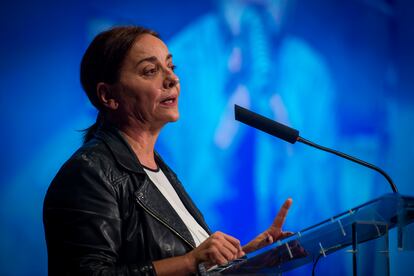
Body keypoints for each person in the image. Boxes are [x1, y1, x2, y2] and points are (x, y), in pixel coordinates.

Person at [43, 26, 293, 276]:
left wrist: (250, 256)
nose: (172, 79)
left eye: (171, 67)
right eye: (150, 71)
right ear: (108, 95)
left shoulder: (161, 171)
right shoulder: (88, 175)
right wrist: (189, 262)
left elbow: (197, 266)